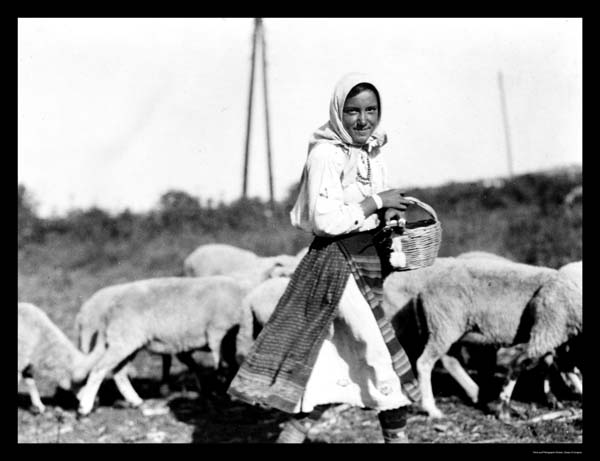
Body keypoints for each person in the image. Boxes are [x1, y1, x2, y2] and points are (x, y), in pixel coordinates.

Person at [228, 72, 421, 443]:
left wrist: (389, 214)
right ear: (337, 112)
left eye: (370, 110)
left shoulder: (370, 153)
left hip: (365, 261)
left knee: (329, 361)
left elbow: (378, 201)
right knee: (383, 356)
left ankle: (293, 436)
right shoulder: (325, 154)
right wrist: (375, 203)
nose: (362, 120)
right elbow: (325, 220)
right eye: (352, 111)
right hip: (337, 263)